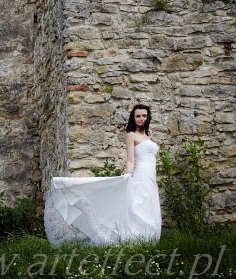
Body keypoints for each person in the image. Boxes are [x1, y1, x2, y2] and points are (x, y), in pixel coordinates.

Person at [44, 104, 162, 245]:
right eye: (138, 116)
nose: (141, 118)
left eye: (144, 115)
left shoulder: (147, 136)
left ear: (148, 117)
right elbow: (130, 160)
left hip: (150, 177)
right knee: (138, 206)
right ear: (133, 118)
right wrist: (127, 175)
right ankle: (135, 238)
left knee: (148, 206)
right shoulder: (131, 135)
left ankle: (148, 239)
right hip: (141, 176)